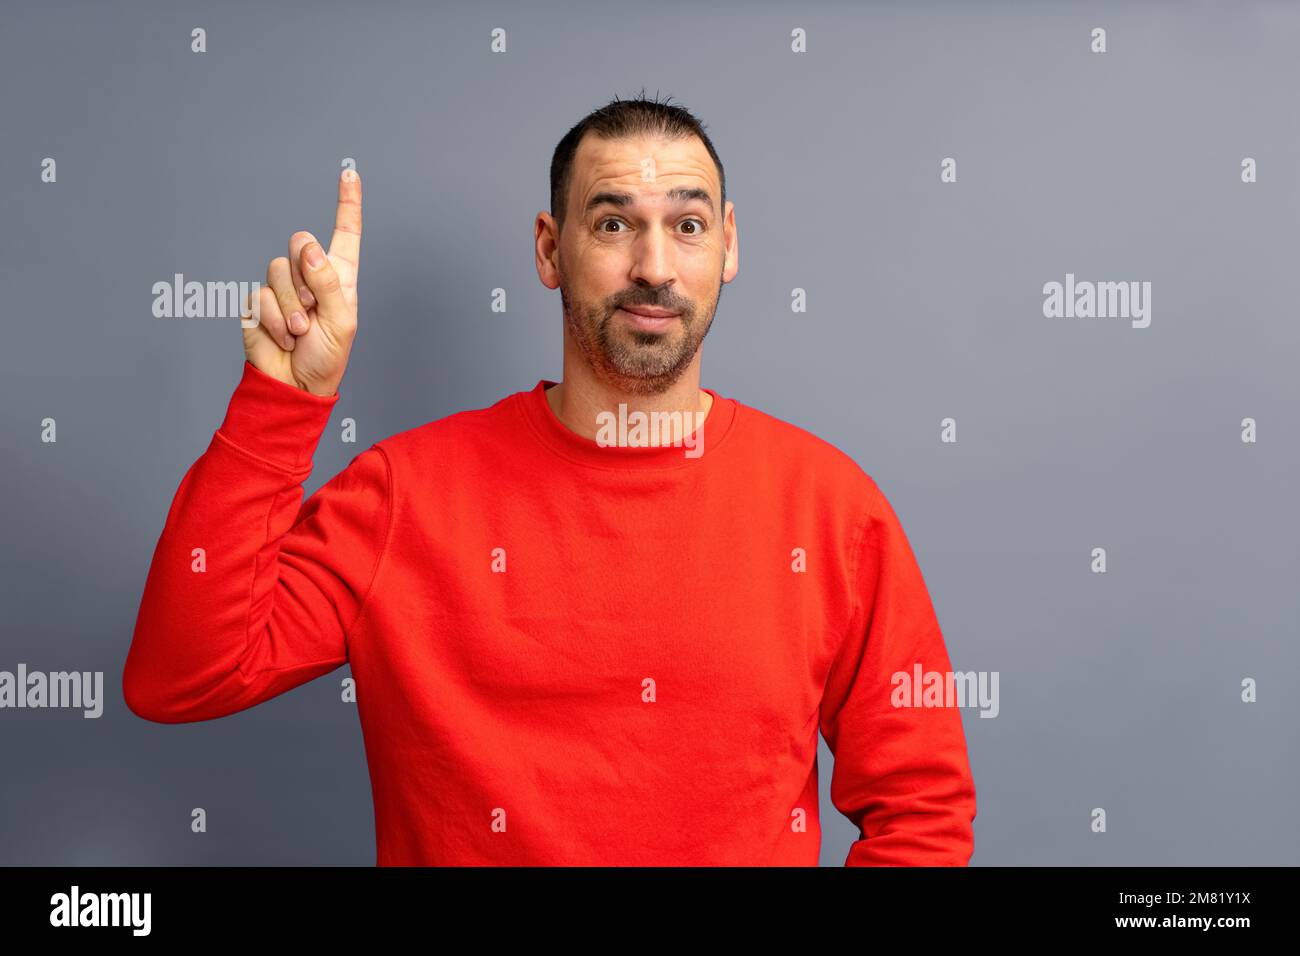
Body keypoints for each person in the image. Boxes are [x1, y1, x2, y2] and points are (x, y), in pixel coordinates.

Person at [123, 92, 977, 866]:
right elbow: (182, 676)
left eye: (687, 225)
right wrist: (283, 402)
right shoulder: (401, 495)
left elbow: (922, 812)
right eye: (612, 224)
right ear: (549, 248)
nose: (653, 265)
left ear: (728, 248)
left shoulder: (830, 509)